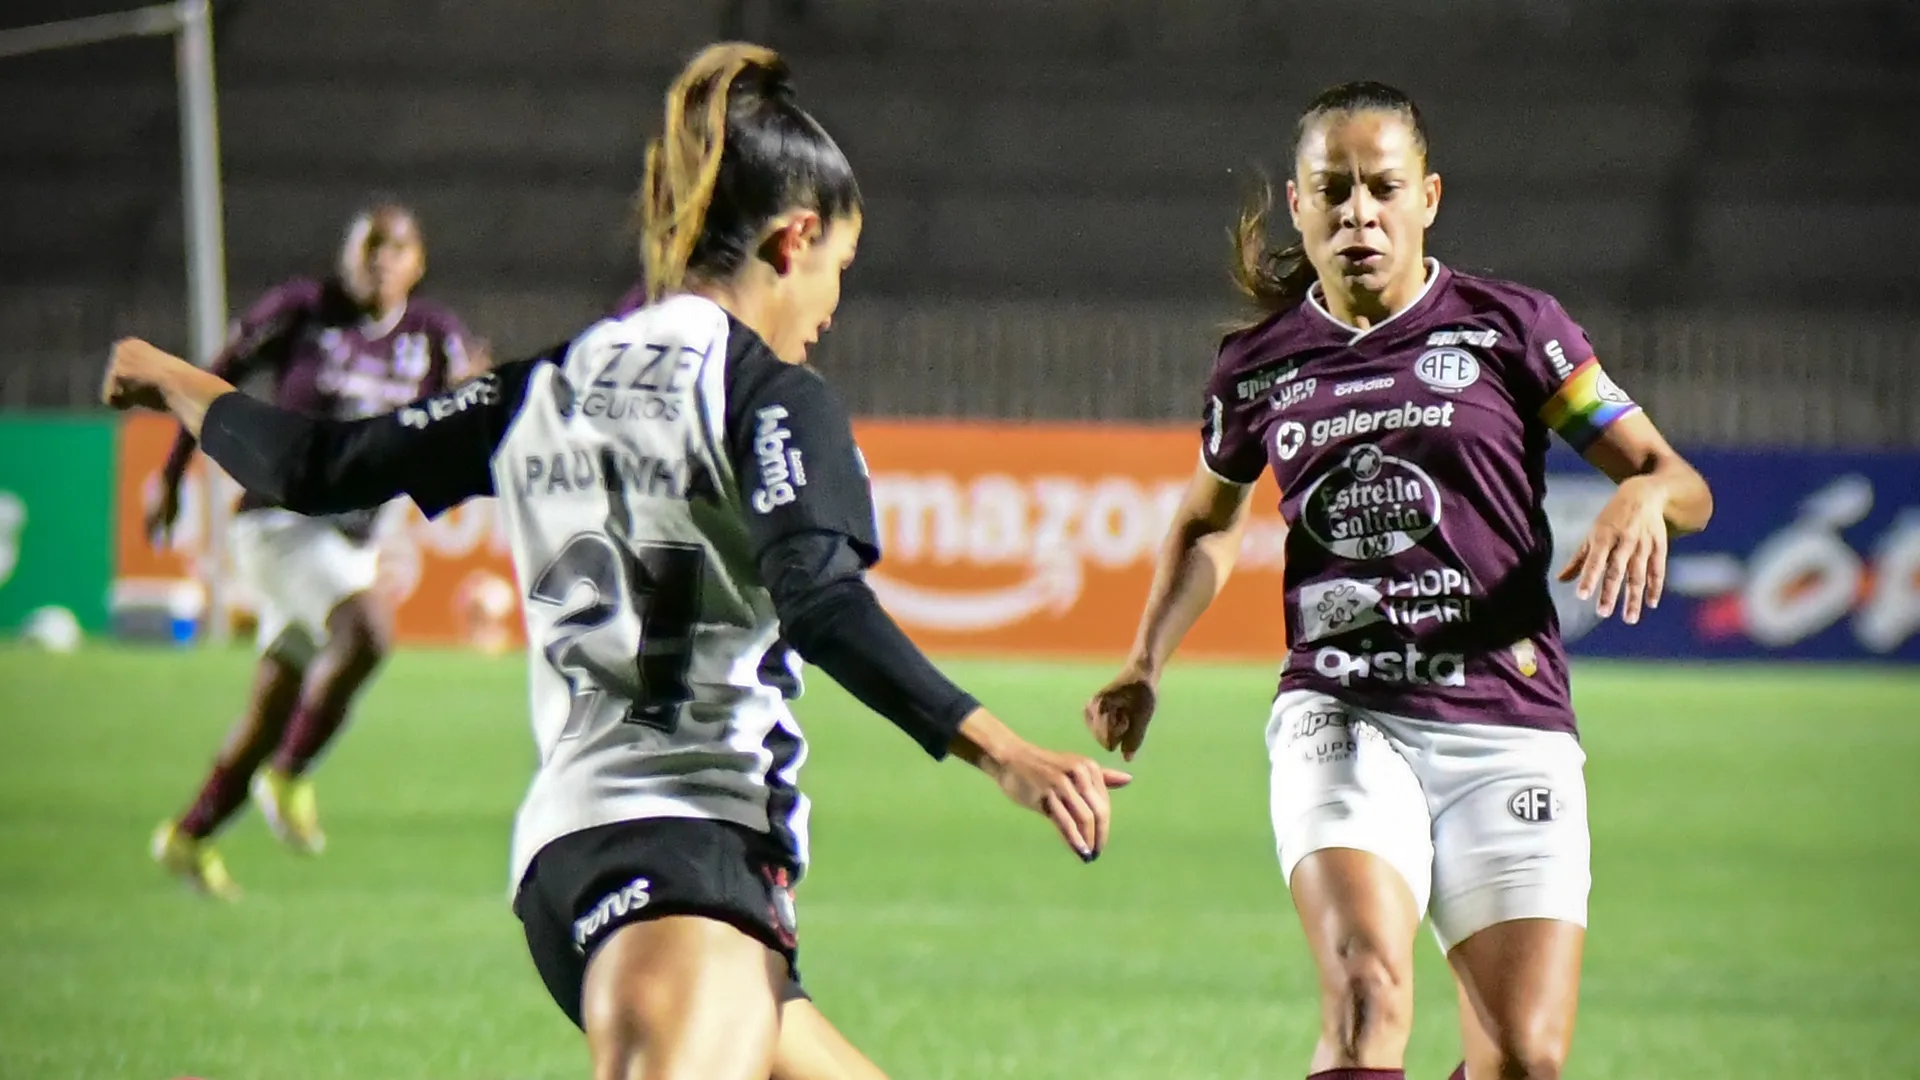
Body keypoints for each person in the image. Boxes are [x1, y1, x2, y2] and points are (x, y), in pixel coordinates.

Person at [106, 43, 1127, 1080]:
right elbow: (818, 601)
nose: (829, 308)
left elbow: (316, 465)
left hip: (576, 856)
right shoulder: (768, 394)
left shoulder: (549, 380)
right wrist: (1005, 749)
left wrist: (169, 380)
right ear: (797, 236)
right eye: (837, 272)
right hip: (686, 860)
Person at [1084, 82, 1711, 1080]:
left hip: (1509, 721)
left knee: (1524, 1058)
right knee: (1370, 998)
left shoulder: (1515, 329)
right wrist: (1144, 661)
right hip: (1345, 714)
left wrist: (1642, 496)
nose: (1358, 214)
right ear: (1298, 205)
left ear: (1429, 198)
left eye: (1382, 188)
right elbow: (1207, 520)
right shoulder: (1258, 368)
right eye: (1333, 191)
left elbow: (1677, 480)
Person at [147, 204, 482, 899]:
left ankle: (189, 836)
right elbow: (214, 376)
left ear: (417, 264)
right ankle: (290, 775)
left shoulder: (433, 336)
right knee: (370, 631)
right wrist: (172, 474)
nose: (380, 260)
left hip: (351, 544)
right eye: (368, 246)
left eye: (396, 248)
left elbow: (469, 414)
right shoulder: (303, 311)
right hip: (277, 525)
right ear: (345, 255)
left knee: (270, 711)